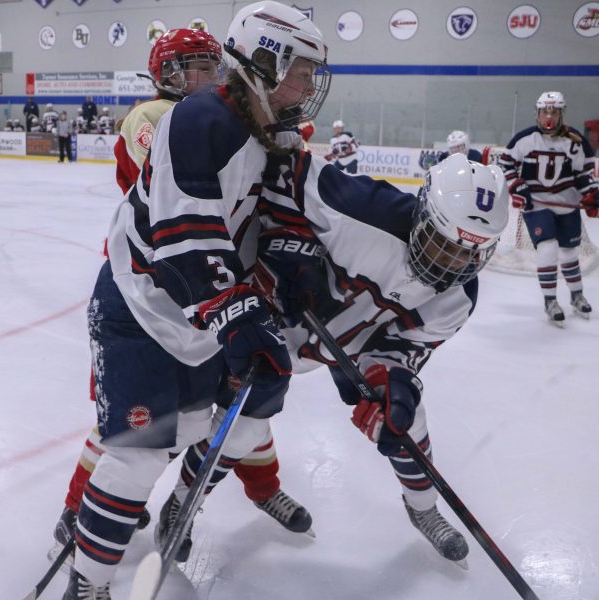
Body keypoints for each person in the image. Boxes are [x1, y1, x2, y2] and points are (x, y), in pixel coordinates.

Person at [62, 3, 331, 598]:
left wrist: (293, 267)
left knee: (213, 428)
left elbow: (285, 214)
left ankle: (180, 506)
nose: (311, 85)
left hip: (201, 317)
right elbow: (183, 238)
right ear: (264, 61)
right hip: (141, 307)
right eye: (302, 70)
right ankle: (87, 584)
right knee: (136, 457)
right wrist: (238, 310)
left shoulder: (276, 132)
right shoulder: (197, 119)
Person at [250, 150, 508, 568]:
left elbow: (401, 349)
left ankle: (423, 508)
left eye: (468, 255)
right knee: (233, 417)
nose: (451, 264)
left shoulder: (459, 296)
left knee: (406, 417)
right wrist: (290, 253)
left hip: (351, 343)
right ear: (423, 213)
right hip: (279, 311)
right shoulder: (361, 207)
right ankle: (185, 500)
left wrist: (395, 385)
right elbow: (277, 172)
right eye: (443, 244)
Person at [498, 90, 599, 325]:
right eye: (544, 111)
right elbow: (506, 162)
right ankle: (550, 300)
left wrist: (594, 198)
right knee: (547, 248)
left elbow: (583, 176)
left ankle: (576, 295)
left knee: (570, 253)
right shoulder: (525, 139)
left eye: (554, 111)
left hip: (567, 205)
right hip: (536, 205)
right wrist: (516, 186)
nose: (548, 116)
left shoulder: (575, 141)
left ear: (562, 113)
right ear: (537, 113)